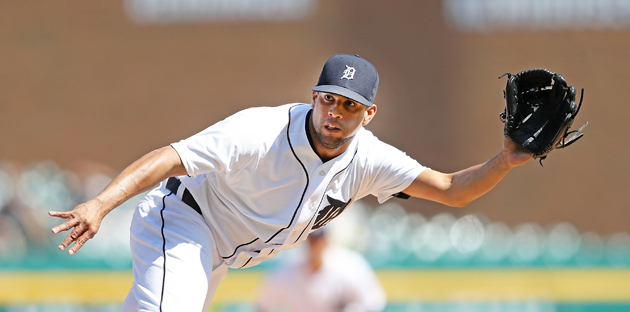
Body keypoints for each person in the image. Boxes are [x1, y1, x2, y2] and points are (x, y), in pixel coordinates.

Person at [49, 54, 533, 311]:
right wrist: (100, 203)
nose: (334, 113)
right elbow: (169, 157)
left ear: (370, 113)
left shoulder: (370, 159)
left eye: (348, 105)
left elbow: (452, 189)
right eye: (328, 99)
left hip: (220, 254)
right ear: (315, 97)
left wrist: (506, 161)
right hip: (181, 223)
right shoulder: (258, 132)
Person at [257, 229, 387, 312]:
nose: (315, 243)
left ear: (327, 239)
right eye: (311, 237)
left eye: (318, 237)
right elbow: (263, 306)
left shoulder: (350, 266)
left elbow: (374, 304)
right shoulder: (287, 271)